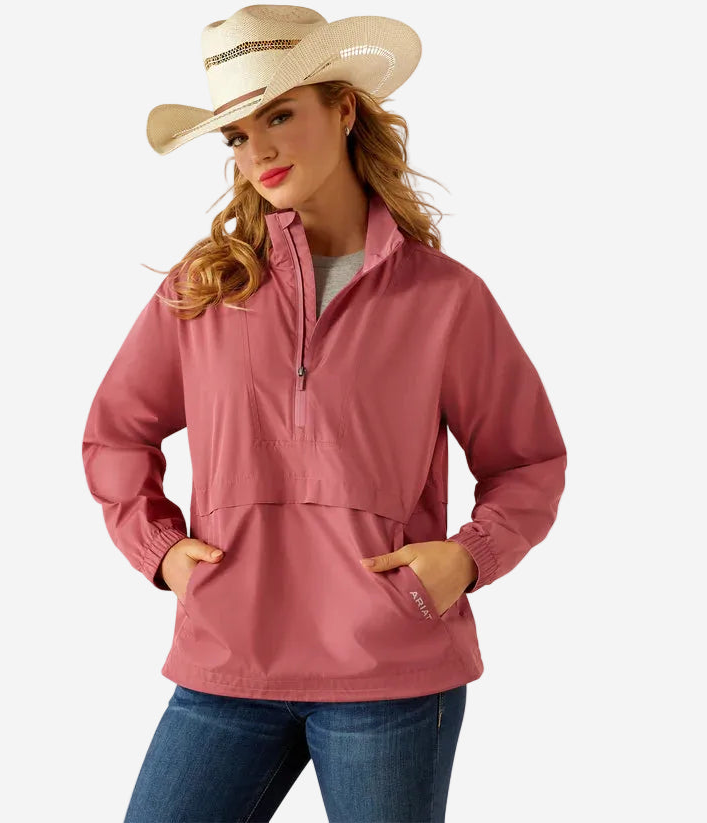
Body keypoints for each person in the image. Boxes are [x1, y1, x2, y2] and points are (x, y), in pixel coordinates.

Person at [81, 6, 567, 821]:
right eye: (236, 135)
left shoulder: (444, 298)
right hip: (227, 660)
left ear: (343, 109)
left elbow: (528, 460)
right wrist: (159, 550)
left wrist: (466, 557)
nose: (258, 152)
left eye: (279, 115)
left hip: (391, 671)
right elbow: (116, 432)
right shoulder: (201, 290)